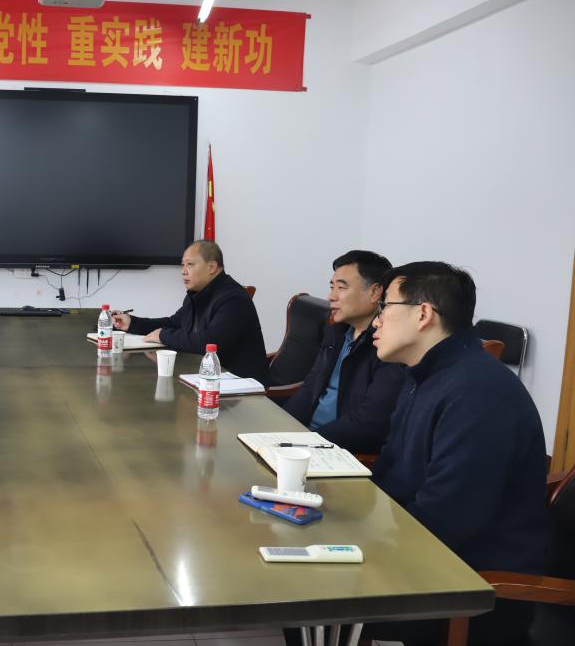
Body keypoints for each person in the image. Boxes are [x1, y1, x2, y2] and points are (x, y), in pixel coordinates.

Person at [366, 261, 547, 645]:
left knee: (306, 604)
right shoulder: (424, 374)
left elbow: (448, 517)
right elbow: (390, 464)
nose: (375, 321)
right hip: (427, 555)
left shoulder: (477, 393)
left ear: (423, 314)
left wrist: (361, 548)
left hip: (470, 587)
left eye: (384, 307)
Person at [282, 250, 405, 453]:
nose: (331, 296)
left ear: (375, 292)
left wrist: (304, 443)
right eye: (332, 287)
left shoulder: (389, 346)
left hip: (337, 450)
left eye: (341, 287)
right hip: (305, 440)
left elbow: (369, 422)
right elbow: (311, 387)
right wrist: (279, 431)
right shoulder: (336, 331)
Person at [111, 240, 269, 384]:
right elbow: (173, 323)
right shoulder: (197, 294)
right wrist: (132, 322)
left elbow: (210, 343)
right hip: (207, 379)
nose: (183, 271)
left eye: (190, 264)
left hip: (241, 387)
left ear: (211, 267)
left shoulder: (233, 299)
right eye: (183, 265)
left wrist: (163, 335)